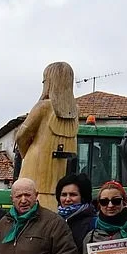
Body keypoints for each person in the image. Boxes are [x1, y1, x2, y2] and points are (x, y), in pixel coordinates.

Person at [14, 62, 79, 210]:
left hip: (35, 164)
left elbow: (21, 135)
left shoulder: (43, 106)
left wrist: (26, 153)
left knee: (32, 198)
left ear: (48, 82)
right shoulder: (75, 110)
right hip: (60, 169)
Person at [56, 173, 96, 252]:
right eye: (64, 195)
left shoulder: (93, 223)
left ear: (83, 197)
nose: (67, 199)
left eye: (73, 195)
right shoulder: (53, 221)